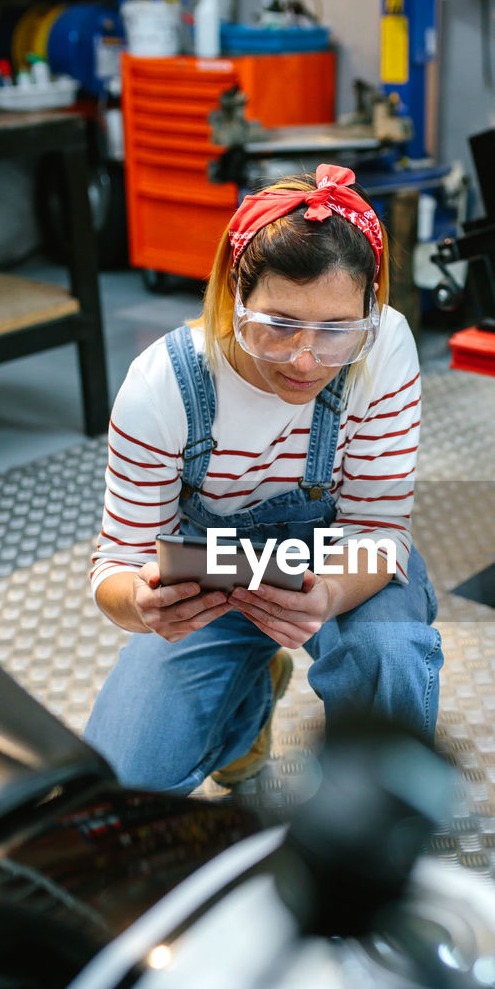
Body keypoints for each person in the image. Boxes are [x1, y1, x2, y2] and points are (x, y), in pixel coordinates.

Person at [84, 164, 442, 795]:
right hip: (211, 579)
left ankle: (379, 812)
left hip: (334, 559)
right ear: (233, 294)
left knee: (389, 651)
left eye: (338, 331)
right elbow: (116, 565)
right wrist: (142, 605)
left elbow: (381, 531)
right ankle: (248, 702)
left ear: (370, 311)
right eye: (278, 325)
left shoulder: (384, 348)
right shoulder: (162, 385)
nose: (306, 359)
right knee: (127, 785)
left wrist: (327, 595)